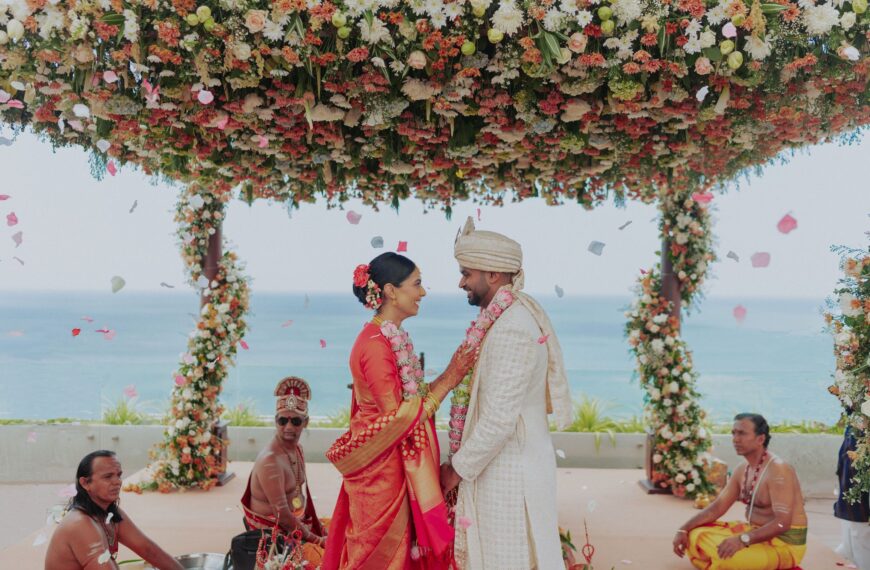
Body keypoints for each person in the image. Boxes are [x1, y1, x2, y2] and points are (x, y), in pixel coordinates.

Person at [323, 252, 477, 570]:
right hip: (381, 475)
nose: (423, 292)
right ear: (391, 291)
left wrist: (450, 375)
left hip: (392, 467)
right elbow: (400, 418)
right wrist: (450, 378)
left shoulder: (389, 336)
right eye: (417, 283)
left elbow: (413, 400)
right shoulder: (375, 344)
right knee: (379, 556)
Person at [440, 217, 574, 570]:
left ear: (494, 275)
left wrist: (456, 470)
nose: (461, 282)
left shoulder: (513, 327)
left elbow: (499, 418)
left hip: (510, 472)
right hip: (503, 464)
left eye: (467, 273)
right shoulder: (506, 318)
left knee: (507, 559)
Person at [673, 413, 808, 570]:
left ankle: (717, 563)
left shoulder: (778, 470)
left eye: (742, 433)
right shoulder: (742, 469)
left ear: (760, 439)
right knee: (695, 534)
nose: (735, 439)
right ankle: (717, 562)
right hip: (755, 534)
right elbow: (717, 508)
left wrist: (743, 539)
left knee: (729, 560)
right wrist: (683, 528)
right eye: (734, 433)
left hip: (783, 546)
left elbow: (782, 523)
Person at [45, 450, 182, 570]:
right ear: (85, 483)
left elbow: (148, 550)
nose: (117, 482)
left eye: (118, 475)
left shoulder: (109, 513)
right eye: (108, 476)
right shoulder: (80, 524)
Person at [240, 377, 326, 566]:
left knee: (343, 528)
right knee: (331, 558)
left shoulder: (297, 449)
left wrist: (315, 527)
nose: (288, 427)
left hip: (296, 523)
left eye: (296, 421)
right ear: (275, 421)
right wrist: (316, 539)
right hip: (275, 535)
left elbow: (297, 495)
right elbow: (283, 516)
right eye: (282, 421)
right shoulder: (270, 460)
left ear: (306, 422)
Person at [834, 425, 870, 569]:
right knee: (852, 544)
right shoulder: (855, 424)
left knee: (859, 541)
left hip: (859, 503)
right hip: (852, 497)